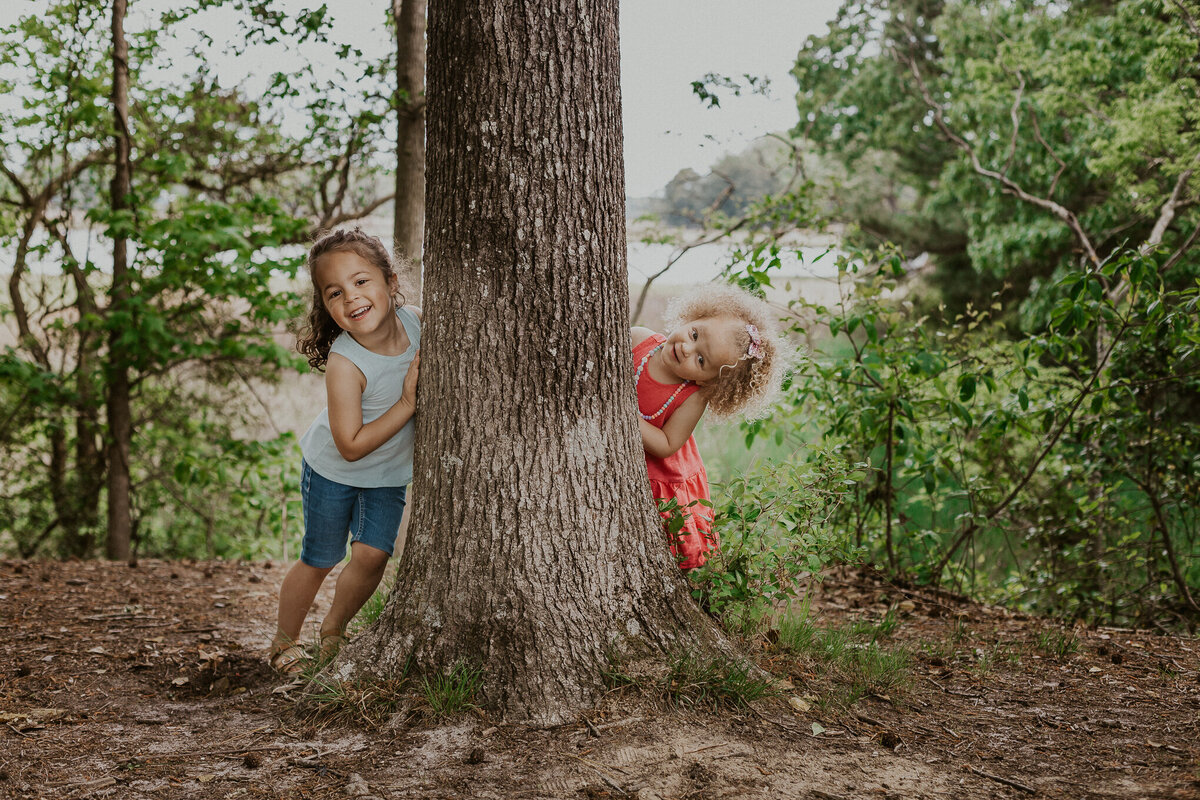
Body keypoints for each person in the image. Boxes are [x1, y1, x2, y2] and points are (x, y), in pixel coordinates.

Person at [268, 228, 421, 674]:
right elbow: (350, 446)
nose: (351, 297)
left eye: (361, 281)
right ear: (327, 308)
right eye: (335, 292)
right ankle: (283, 643)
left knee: (374, 554)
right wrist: (408, 403)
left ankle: (333, 629)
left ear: (391, 281)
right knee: (321, 556)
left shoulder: (418, 322)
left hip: (388, 474)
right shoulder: (346, 362)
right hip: (333, 470)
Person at [632, 284, 786, 570]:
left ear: (708, 381)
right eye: (694, 334)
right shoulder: (638, 339)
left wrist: (624, 418)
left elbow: (667, 445)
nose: (686, 349)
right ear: (692, 317)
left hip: (657, 473)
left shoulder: (692, 396)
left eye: (701, 360)